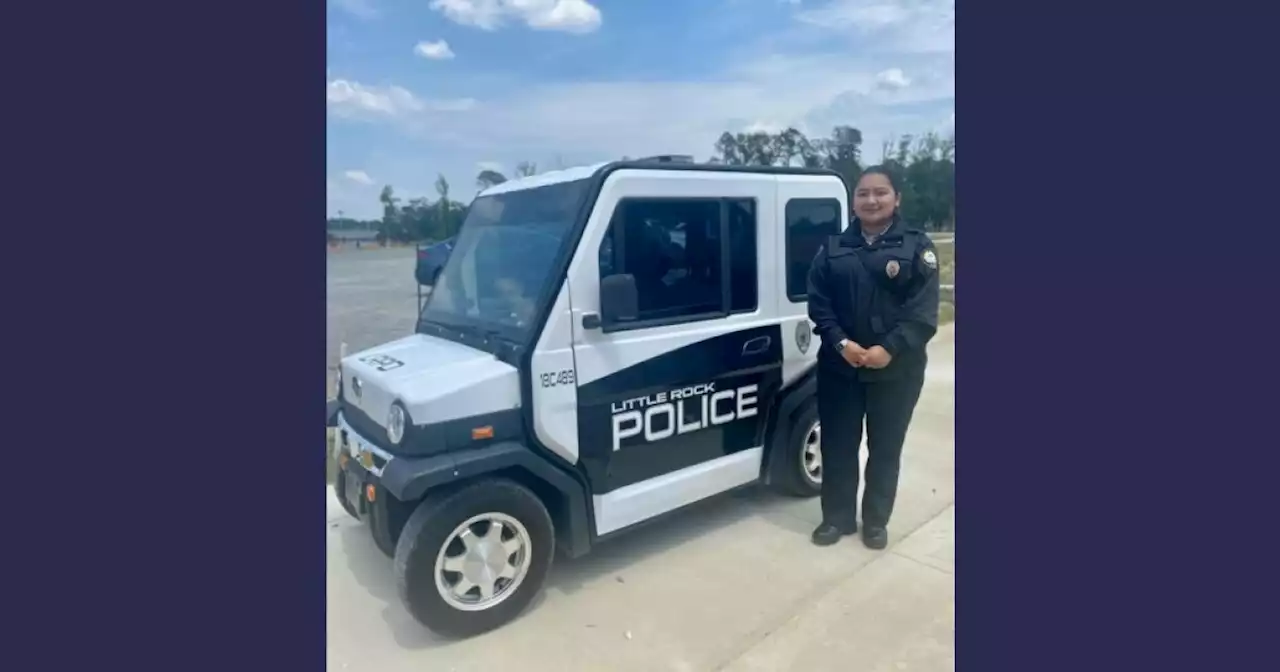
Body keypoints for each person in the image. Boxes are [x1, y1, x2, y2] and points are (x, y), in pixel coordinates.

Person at [805, 166, 941, 550]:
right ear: (854, 201)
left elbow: (923, 312)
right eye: (863, 193)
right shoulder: (832, 248)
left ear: (896, 198)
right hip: (840, 368)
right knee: (838, 445)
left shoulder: (918, 248)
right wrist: (841, 344)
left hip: (897, 371)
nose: (871, 200)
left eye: (880, 192)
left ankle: (876, 521)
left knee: (885, 448)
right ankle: (837, 518)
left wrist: (890, 349)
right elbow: (819, 304)